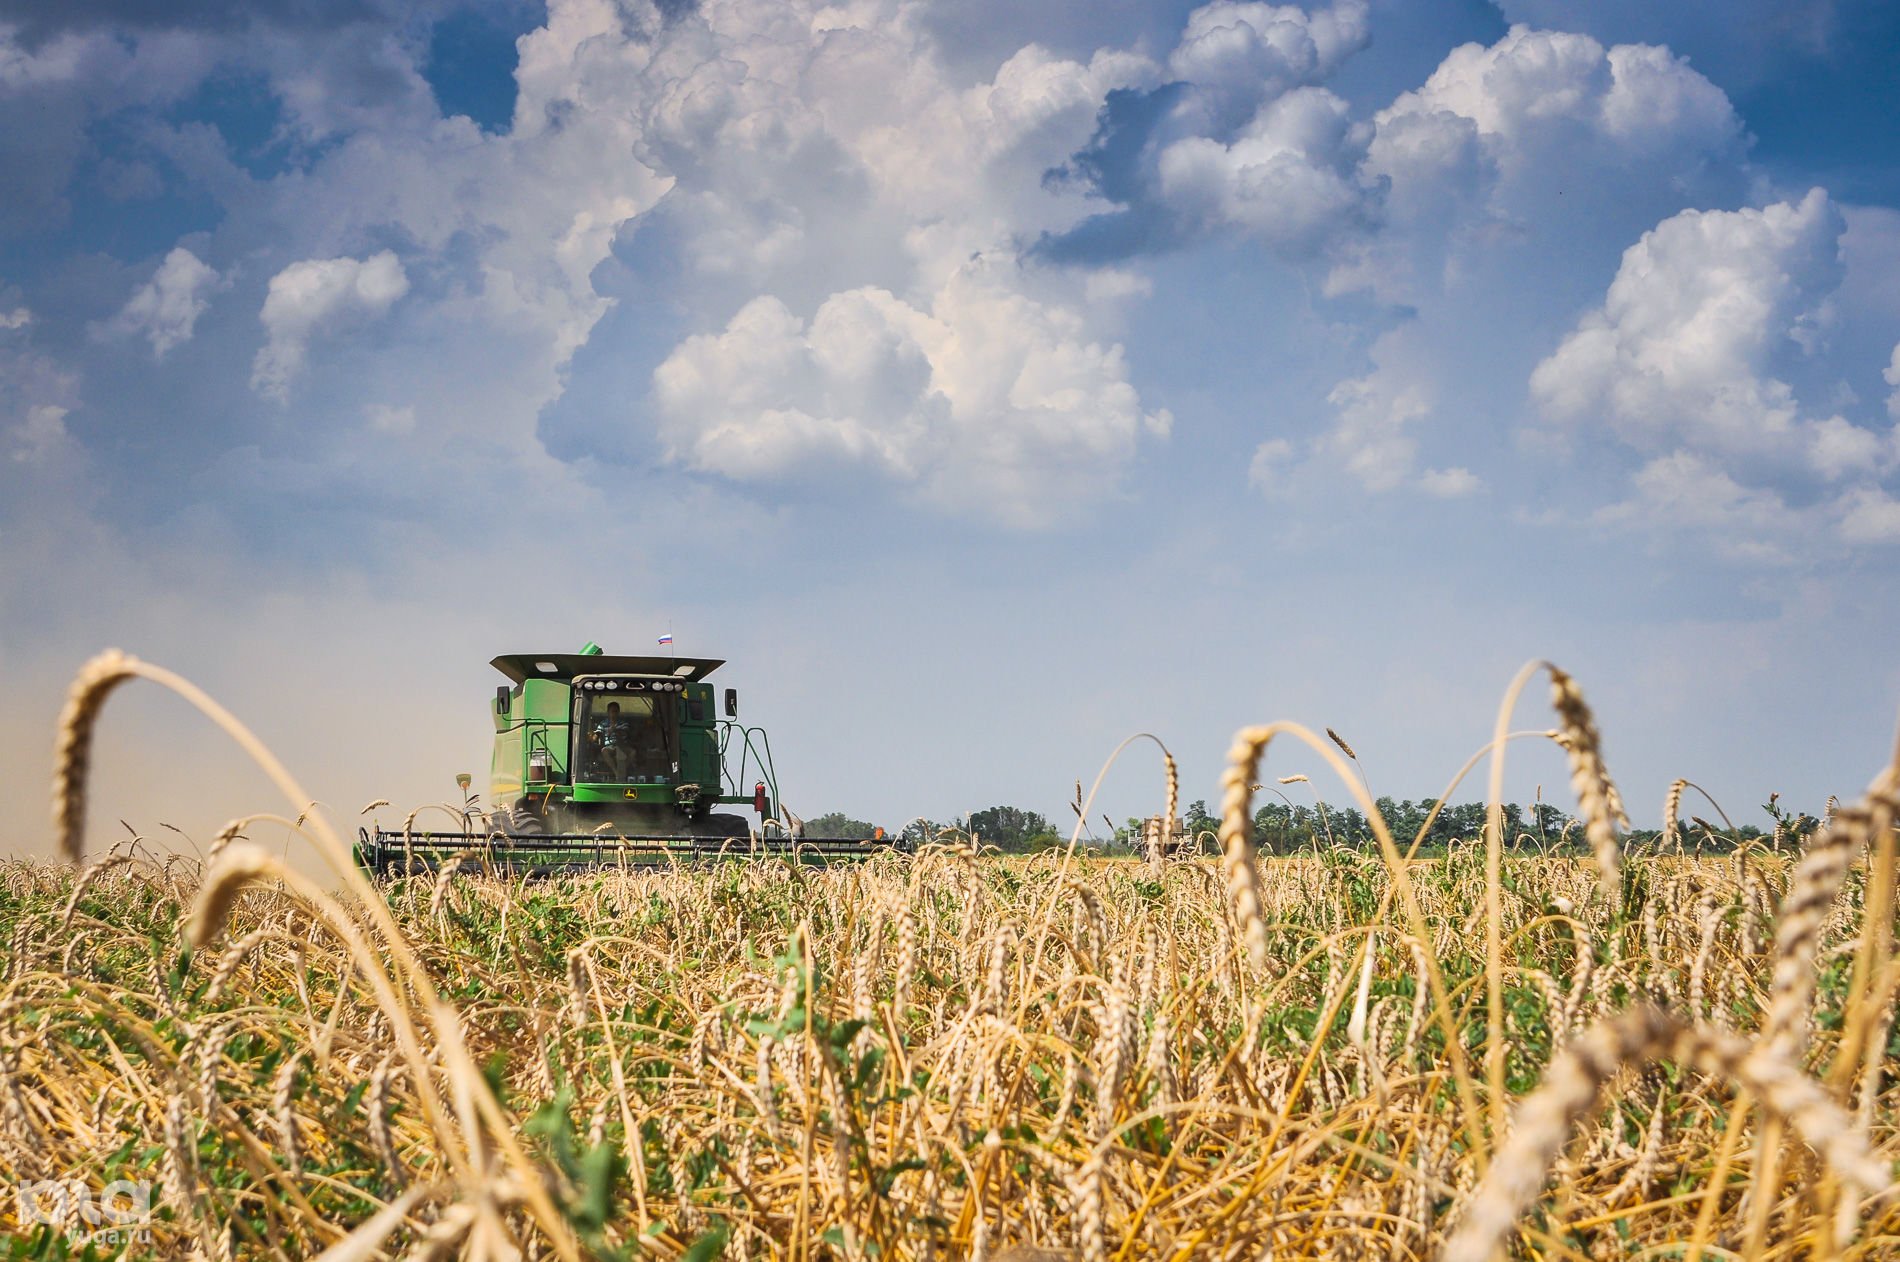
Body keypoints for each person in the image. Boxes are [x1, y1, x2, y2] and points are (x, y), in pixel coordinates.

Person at [592, 701, 633, 780]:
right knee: (604, 750)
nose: (614, 714)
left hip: (622, 746)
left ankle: (622, 771)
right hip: (609, 747)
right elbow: (597, 734)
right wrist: (593, 737)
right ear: (608, 712)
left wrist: (615, 730)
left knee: (633, 752)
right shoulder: (603, 723)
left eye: (616, 711)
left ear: (619, 712)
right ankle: (616, 772)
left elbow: (625, 732)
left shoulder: (623, 723)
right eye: (612, 711)